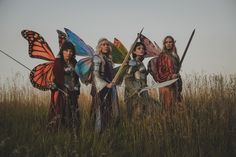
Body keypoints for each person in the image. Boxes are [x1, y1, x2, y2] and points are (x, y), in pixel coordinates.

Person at [47, 41, 80, 131]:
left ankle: (73, 132)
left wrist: (77, 89)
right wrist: (54, 85)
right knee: (60, 111)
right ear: (62, 51)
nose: (69, 53)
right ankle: (57, 132)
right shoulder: (58, 63)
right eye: (67, 51)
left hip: (73, 91)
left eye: (71, 51)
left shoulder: (74, 62)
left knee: (73, 112)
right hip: (61, 92)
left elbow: (77, 77)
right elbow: (55, 78)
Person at [90, 38, 119, 133]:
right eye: (103, 44)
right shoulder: (97, 58)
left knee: (108, 110)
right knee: (99, 111)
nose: (106, 46)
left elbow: (111, 74)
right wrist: (106, 85)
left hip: (109, 88)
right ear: (99, 47)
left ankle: (107, 132)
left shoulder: (108, 59)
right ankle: (97, 134)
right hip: (100, 89)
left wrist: (123, 68)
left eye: (107, 44)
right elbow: (95, 75)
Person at [124, 42, 157, 119]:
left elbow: (142, 77)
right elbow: (128, 78)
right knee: (137, 113)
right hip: (135, 91)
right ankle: (134, 130)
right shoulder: (133, 62)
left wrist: (148, 71)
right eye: (139, 48)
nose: (141, 50)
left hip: (143, 90)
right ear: (134, 51)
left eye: (142, 48)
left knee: (145, 113)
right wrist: (135, 90)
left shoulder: (140, 63)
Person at [150, 36, 182, 110]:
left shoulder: (175, 56)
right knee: (167, 108)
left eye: (170, 42)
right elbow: (159, 72)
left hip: (175, 84)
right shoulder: (162, 56)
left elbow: (176, 71)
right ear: (164, 44)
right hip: (166, 85)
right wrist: (170, 76)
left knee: (177, 107)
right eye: (166, 42)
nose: (168, 44)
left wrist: (177, 76)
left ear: (173, 43)